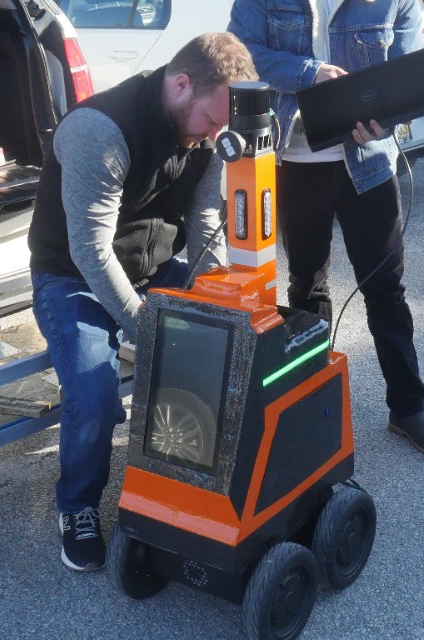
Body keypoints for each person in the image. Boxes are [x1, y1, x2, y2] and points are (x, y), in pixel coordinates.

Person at [27, 33, 258, 571]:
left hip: (152, 268)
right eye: (211, 119)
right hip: (73, 278)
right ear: (181, 85)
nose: (216, 134)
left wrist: (217, 294)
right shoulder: (100, 130)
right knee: (94, 391)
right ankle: (78, 506)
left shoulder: (209, 131)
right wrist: (143, 326)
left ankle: (202, 478)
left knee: (239, 335)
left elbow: (205, 219)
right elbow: (89, 250)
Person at [228, 0, 424, 460]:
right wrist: (308, 73)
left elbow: (409, 73)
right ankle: (311, 405)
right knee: (307, 285)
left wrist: (385, 121)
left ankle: (408, 408)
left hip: (368, 167)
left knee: (385, 288)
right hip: (294, 163)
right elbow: (241, 53)